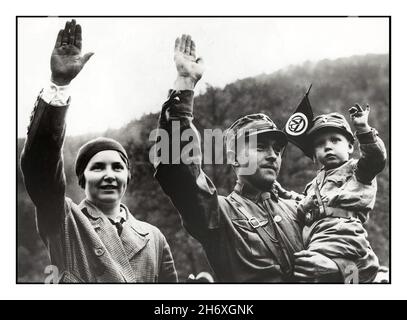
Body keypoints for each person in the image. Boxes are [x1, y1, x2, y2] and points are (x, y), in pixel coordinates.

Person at [153, 34, 379, 282]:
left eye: (277, 149)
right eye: (260, 147)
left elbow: (366, 270)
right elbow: (177, 171)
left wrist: (337, 269)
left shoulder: (303, 208)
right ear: (234, 157)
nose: (273, 155)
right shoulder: (219, 213)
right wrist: (184, 89)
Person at [20, 19, 177, 283]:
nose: (109, 174)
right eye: (98, 167)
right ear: (82, 179)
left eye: (117, 167)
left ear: (128, 176)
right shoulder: (65, 221)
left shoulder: (154, 238)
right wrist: (59, 84)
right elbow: (40, 165)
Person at [284, 107, 386, 282]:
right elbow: (307, 203)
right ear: (314, 156)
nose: (328, 147)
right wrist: (285, 195)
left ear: (349, 146)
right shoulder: (314, 183)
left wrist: (363, 130)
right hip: (318, 236)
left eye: (335, 140)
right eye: (320, 144)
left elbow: (375, 158)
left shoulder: (357, 170)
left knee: (308, 271)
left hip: (342, 234)